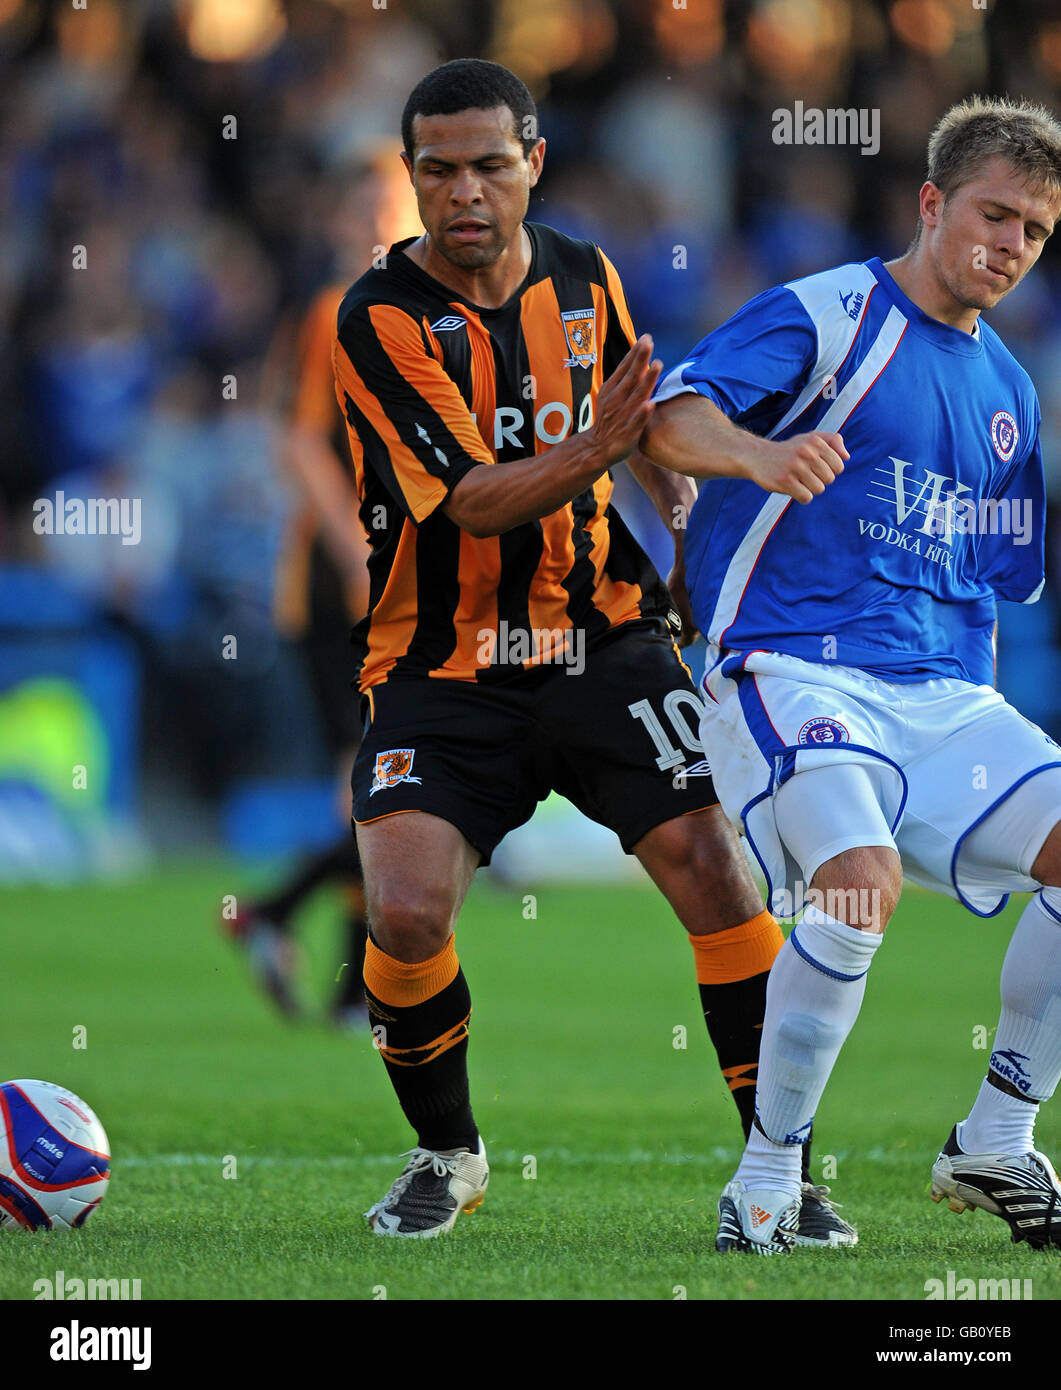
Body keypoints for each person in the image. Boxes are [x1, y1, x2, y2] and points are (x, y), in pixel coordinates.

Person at [334, 58, 852, 1242]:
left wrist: (679, 541)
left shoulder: (583, 274)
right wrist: (605, 443)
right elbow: (469, 501)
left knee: (714, 870)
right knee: (405, 913)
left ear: (532, 165)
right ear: (410, 177)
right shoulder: (378, 319)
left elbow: (638, 434)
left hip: (604, 637)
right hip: (441, 664)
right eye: (436, 170)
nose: (463, 193)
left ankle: (781, 1176)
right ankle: (447, 1153)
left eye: (487, 166)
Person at [640, 95, 1061, 1253]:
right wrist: (762, 455)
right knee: (857, 885)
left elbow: (987, 582)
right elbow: (668, 422)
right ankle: (766, 1176)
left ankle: (995, 1132)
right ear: (931, 204)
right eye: (991, 215)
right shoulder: (826, 314)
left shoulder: (1009, 397)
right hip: (788, 664)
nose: (1008, 246)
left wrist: (974, 720)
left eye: (1032, 231)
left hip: (933, 692)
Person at [224, 151, 418, 1026]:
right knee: (380, 785)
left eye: (395, 204)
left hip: (405, 586)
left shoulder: (428, 317)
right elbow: (299, 444)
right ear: (348, 219)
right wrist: (357, 556)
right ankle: (341, 977)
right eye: (371, 203)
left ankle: (281, 924)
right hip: (338, 586)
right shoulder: (331, 313)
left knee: (383, 785)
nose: (385, 220)